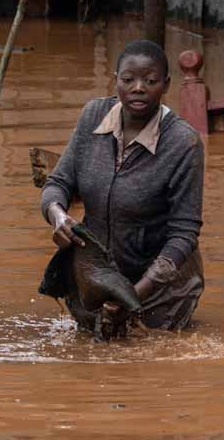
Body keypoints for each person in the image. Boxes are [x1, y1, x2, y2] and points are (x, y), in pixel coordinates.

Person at [38, 39, 204, 334]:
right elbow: (58, 183)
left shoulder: (183, 142)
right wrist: (57, 215)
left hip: (160, 291)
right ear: (115, 81)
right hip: (96, 279)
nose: (138, 88)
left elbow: (183, 234)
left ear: (166, 85)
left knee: (154, 355)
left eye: (150, 81)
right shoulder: (93, 116)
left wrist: (132, 297)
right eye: (128, 80)